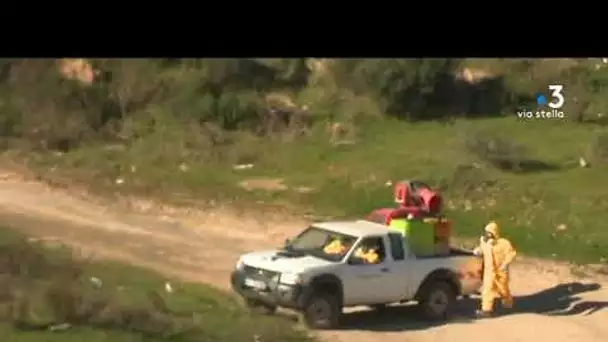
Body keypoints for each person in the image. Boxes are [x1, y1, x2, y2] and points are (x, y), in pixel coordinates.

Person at [473, 221, 517, 317]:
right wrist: (478, 251)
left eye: (490, 232)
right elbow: (482, 250)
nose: (488, 234)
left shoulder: (504, 243)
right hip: (489, 272)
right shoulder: (484, 243)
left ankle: (508, 303)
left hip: (501, 271)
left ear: (495, 232)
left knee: (503, 289)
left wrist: (505, 264)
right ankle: (486, 310)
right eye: (487, 232)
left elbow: (511, 253)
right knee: (487, 290)